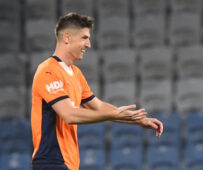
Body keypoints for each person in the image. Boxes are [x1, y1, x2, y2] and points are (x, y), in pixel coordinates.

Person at [30, 12, 163, 170]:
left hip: (68, 164)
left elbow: (99, 107)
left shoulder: (76, 74)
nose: (89, 44)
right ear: (67, 37)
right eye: (84, 38)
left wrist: (138, 120)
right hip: (50, 161)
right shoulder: (48, 71)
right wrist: (112, 115)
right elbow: (69, 114)